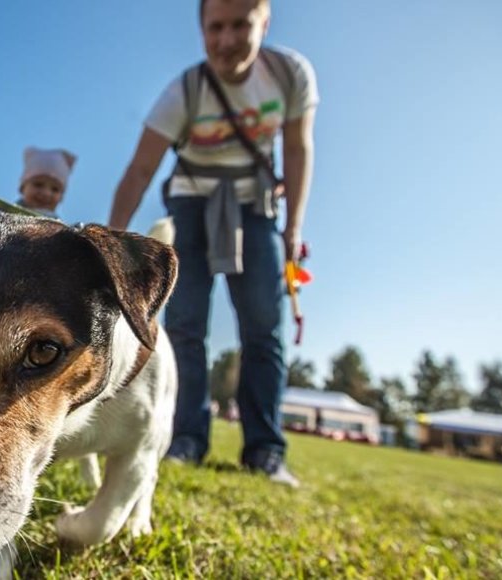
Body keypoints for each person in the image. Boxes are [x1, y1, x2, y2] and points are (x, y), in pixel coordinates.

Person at [107, 0, 318, 487]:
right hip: (193, 205)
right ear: (202, 29)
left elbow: (298, 148)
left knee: (264, 328)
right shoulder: (185, 91)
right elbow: (140, 170)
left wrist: (293, 228)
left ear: (264, 22)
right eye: (214, 27)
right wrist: (114, 243)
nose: (226, 41)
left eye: (240, 25)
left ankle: (265, 450)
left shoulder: (289, 75)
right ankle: (185, 439)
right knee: (184, 326)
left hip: (255, 210)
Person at [16, 146, 77, 219]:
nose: (46, 193)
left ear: (61, 197)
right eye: (38, 185)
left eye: (55, 189)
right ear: (22, 187)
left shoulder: (59, 227)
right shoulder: (6, 215)